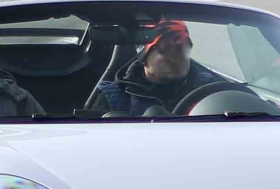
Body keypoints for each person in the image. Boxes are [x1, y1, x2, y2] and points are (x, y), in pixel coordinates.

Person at [93, 19, 238, 117]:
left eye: (182, 47)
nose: (177, 56)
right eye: (165, 49)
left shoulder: (216, 90)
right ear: (144, 56)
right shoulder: (112, 97)